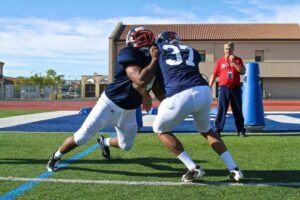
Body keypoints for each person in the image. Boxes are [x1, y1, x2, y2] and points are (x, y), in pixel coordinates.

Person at [46, 26, 159, 172]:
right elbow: (139, 80)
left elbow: (138, 84)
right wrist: (155, 60)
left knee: (126, 145)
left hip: (129, 109)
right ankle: (55, 156)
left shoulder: (151, 59)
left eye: (146, 39)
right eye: (141, 39)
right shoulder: (128, 53)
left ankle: (104, 142)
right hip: (110, 103)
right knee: (82, 137)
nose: (145, 43)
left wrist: (145, 94)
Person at [153, 31, 244, 182]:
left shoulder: (160, 49)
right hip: (203, 91)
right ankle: (234, 169)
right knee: (207, 130)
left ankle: (192, 167)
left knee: (160, 129)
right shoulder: (191, 50)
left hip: (180, 93)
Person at [209, 42, 246, 137]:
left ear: (233, 49)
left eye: (229, 49)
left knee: (237, 110)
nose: (228, 50)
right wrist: (209, 86)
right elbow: (214, 74)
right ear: (224, 49)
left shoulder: (238, 60)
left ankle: (241, 130)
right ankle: (217, 130)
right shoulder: (220, 61)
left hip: (235, 88)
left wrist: (234, 62)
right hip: (224, 88)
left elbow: (242, 71)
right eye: (226, 49)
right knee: (221, 110)